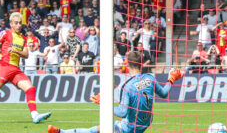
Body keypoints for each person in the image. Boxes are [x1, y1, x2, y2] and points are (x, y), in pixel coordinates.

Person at [47, 51, 184, 133]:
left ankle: (61, 132)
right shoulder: (150, 78)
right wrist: (171, 79)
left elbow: (122, 112)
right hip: (145, 122)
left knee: (94, 130)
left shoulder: (127, 86)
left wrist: (104, 104)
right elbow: (164, 93)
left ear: (127, 64)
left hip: (129, 128)